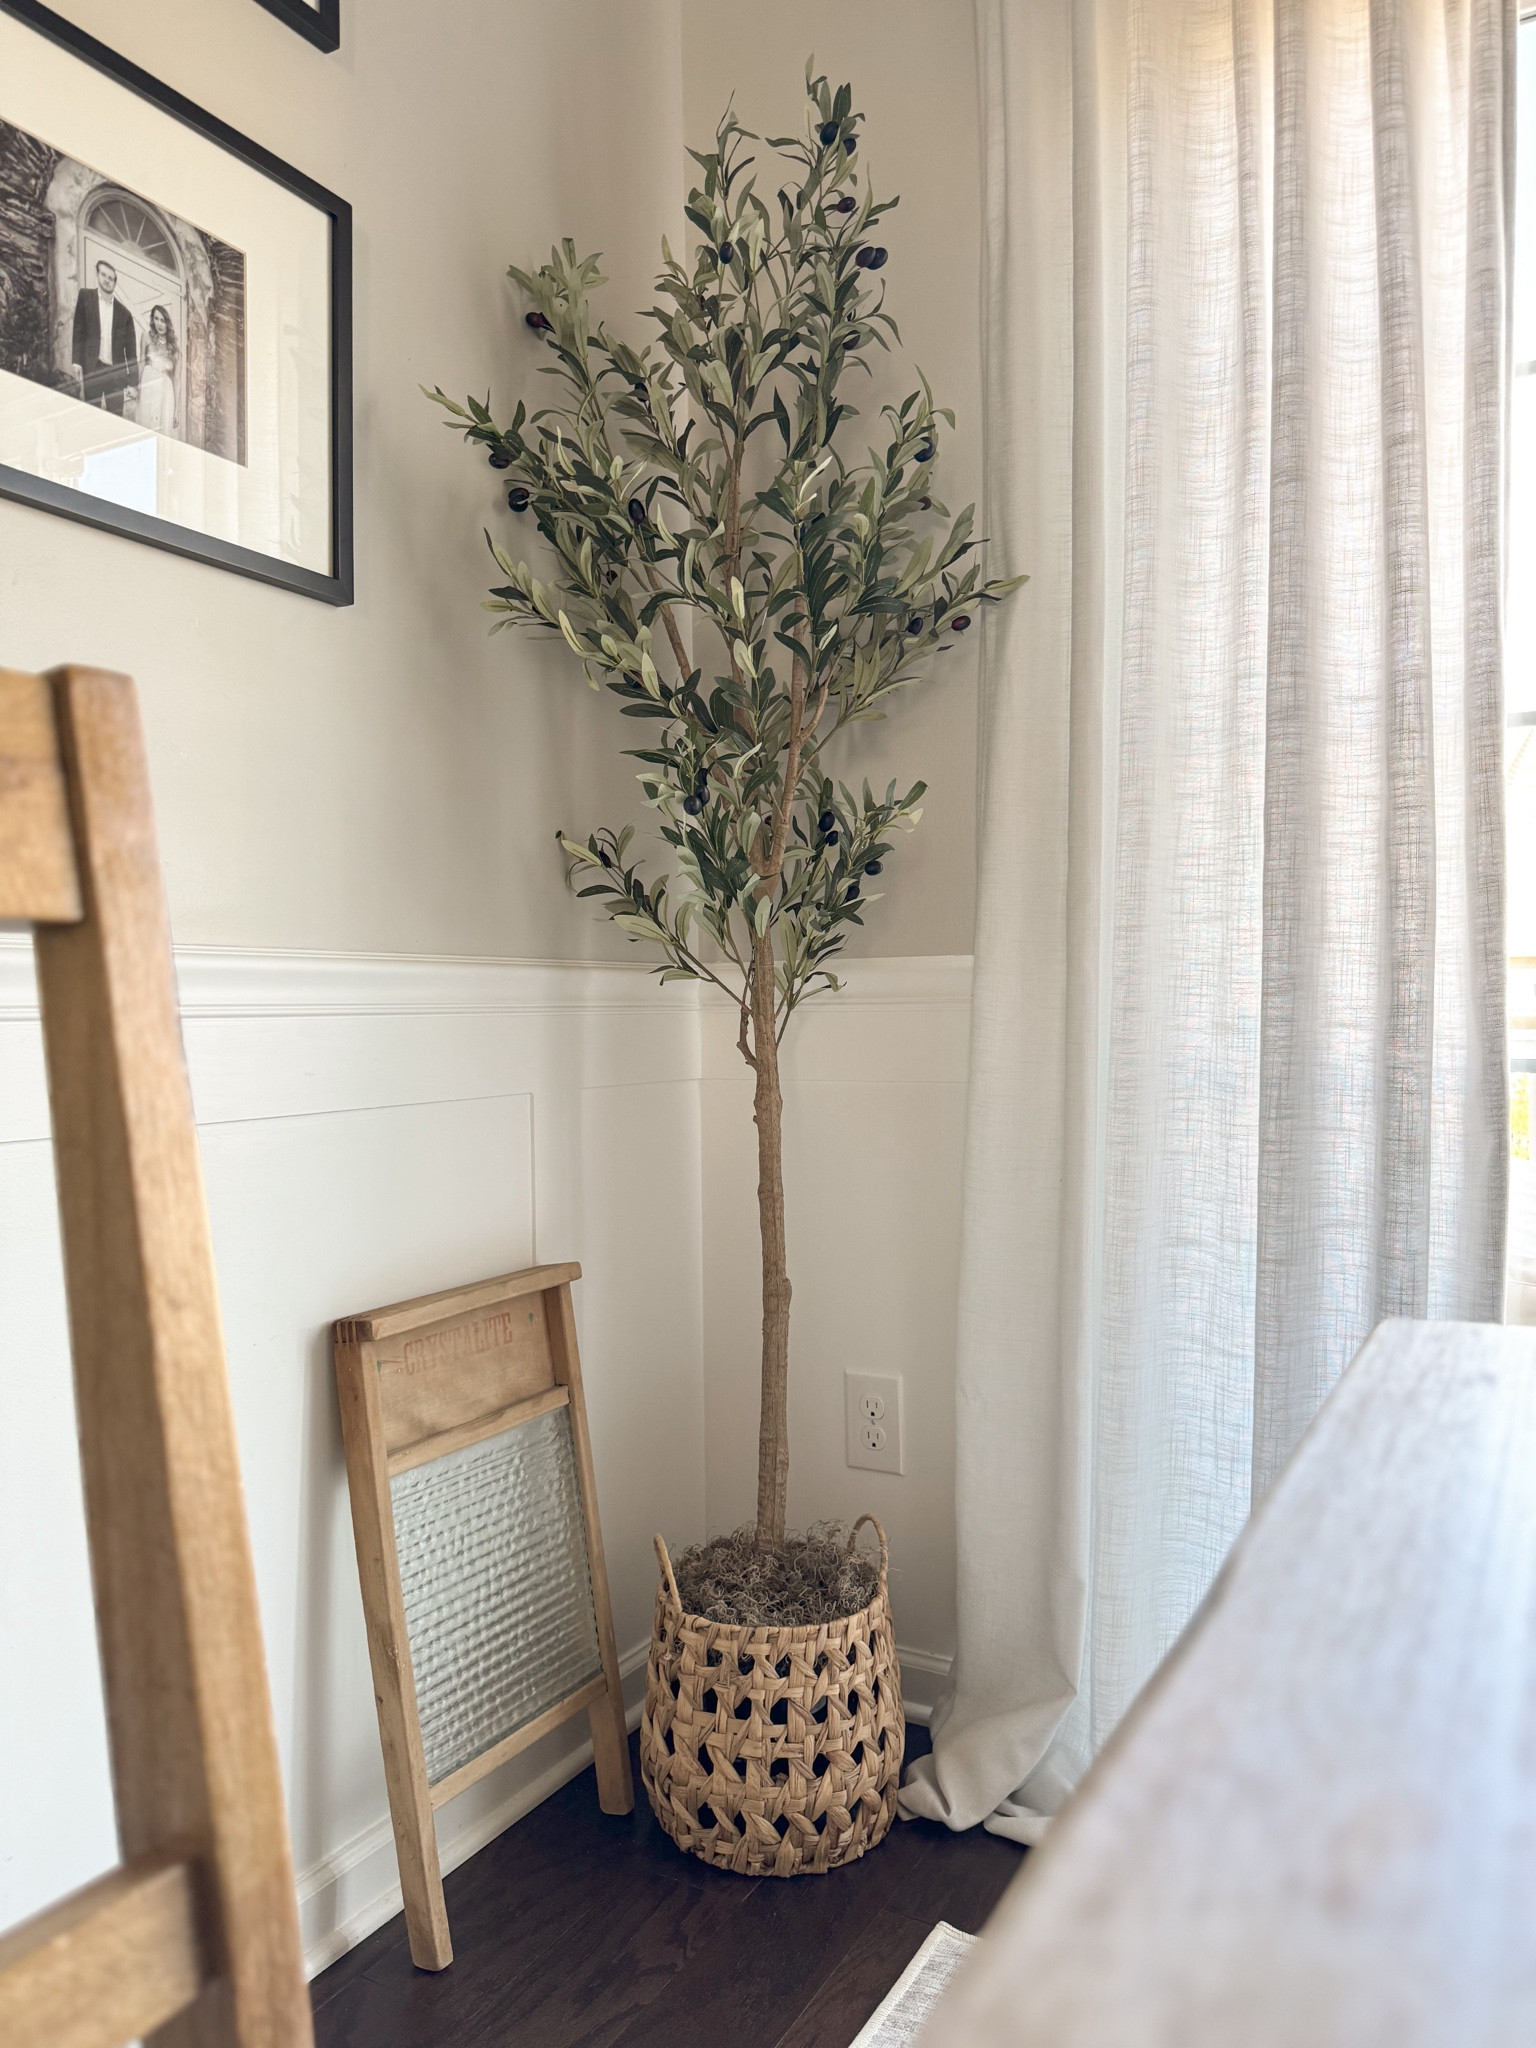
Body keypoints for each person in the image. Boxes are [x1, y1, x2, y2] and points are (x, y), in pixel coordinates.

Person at [70, 258, 138, 414]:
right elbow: (78, 330)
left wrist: (133, 383)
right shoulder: (85, 297)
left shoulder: (124, 313)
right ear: (97, 275)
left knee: (115, 416)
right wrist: (76, 361)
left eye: (111, 278)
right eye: (104, 275)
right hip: (93, 368)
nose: (107, 280)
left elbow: (131, 351)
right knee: (91, 413)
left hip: (115, 374)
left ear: (115, 283)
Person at [137, 303, 178, 436]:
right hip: (148, 385)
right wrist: (137, 387)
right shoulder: (146, 337)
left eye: (163, 320)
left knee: (162, 430)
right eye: (156, 319)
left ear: (168, 323)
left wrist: (176, 409)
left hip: (165, 391)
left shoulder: (175, 350)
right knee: (146, 426)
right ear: (152, 320)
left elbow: (177, 381)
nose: (159, 324)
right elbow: (141, 363)